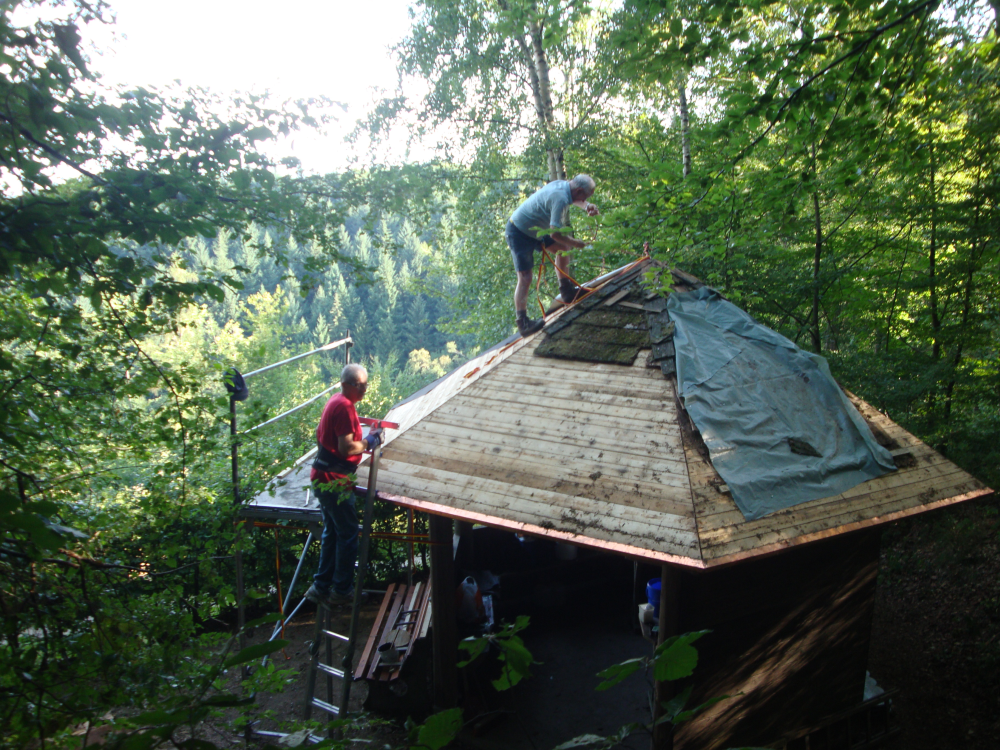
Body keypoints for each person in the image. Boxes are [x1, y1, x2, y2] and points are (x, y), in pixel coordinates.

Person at [305, 363, 383, 606]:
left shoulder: (335, 402)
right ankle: (342, 591)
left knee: (332, 532)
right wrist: (370, 441)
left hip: (324, 477)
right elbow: (346, 447)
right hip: (334, 482)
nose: (364, 390)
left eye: (366, 385)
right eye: (360, 386)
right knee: (348, 533)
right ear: (346, 384)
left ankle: (320, 587)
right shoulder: (345, 407)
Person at [505, 174, 600, 336]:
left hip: (537, 230)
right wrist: (576, 243)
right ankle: (523, 323)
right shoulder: (560, 199)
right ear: (578, 190)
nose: (585, 199)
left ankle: (567, 291)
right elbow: (555, 234)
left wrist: (587, 206)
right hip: (519, 231)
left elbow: (576, 200)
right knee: (525, 277)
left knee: (563, 249)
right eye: (586, 197)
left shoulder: (565, 186)